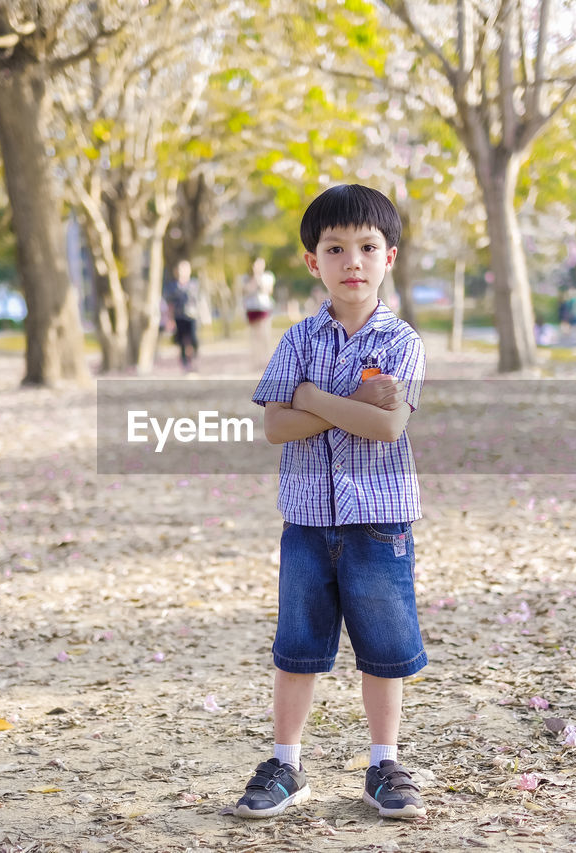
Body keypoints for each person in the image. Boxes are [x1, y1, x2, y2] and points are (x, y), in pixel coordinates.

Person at [242, 184, 427, 821]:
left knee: (382, 645)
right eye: (336, 248)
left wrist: (313, 400)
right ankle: (285, 764)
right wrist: (347, 405)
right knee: (298, 646)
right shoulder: (297, 339)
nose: (353, 260)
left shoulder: (401, 342)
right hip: (307, 521)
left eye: (368, 247)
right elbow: (274, 427)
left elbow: (388, 428)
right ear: (311, 261)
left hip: (380, 520)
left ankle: (384, 761)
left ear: (389, 258)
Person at [163, 259, 200, 370]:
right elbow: (170, 304)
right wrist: (170, 319)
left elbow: (200, 301)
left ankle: (193, 360)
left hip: (192, 316)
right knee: (182, 342)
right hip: (179, 316)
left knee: (193, 340)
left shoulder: (194, 284)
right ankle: (186, 365)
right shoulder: (172, 287)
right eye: (181, 269)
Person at [244, 257, 276, 368]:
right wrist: (254, 278)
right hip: (252, 308)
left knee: (265, 334)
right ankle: (256, 360)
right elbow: (247, 291)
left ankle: (267, 360)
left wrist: (259, 279)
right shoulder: (247, 278)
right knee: (254, 336)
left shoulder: (268, 276)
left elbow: (268, 291)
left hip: (264, 308)